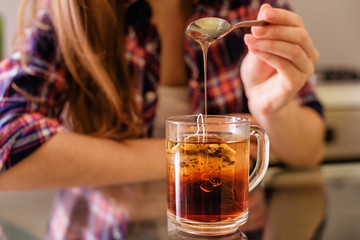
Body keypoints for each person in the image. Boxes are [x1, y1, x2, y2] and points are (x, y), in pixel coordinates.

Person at [0, 0, 325, 238]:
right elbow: (7, 145)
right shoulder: (75, 12)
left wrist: (267, 109)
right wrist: (203, 154)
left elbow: (308, 152)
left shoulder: (249, 10)